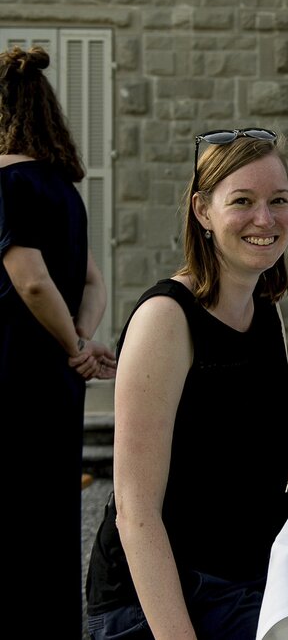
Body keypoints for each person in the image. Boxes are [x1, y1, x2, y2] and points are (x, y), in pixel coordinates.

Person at [85, 129, 288, 639]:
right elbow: (136, 515)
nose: (265, 219)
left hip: (246, 570)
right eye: (242, 201)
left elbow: (285, 444)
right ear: (203, 211)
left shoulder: (265, 311)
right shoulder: (166, 319)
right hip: (163, 598)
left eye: (278, 201)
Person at [0, 45, 117, 635]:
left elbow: (31, 282)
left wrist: (72, 341)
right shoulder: (64, 192)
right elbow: (92, 280)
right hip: (56, 378)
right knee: (48, 515)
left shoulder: (5, 184)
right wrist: (81, 341)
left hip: (12, 372)